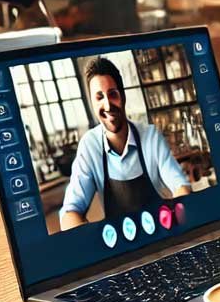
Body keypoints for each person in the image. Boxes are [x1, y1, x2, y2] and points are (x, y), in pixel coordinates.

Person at [60, 56, 191, 231]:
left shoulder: (150, 136)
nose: (107, 105)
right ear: (92, 103)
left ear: (122, 96)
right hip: (120, 246)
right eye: (99, 97)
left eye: (112, 94)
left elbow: (181, 186)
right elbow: (69, 213)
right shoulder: (89, 146)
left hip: (162, 233)